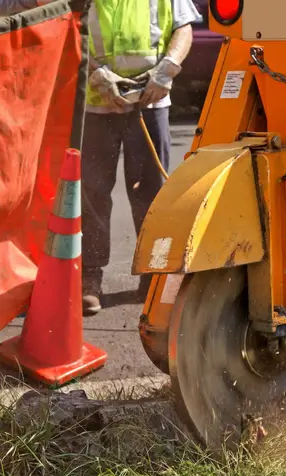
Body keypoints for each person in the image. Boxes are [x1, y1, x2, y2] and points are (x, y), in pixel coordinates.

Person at [80, 0, 199, 316]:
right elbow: (66, 29)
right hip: (96, 103)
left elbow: (182, 27)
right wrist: (96, 72)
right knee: (92, 194)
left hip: (150, 100)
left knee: (152, 193)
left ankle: (154, 275)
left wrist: (167, 69)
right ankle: (89, 279)